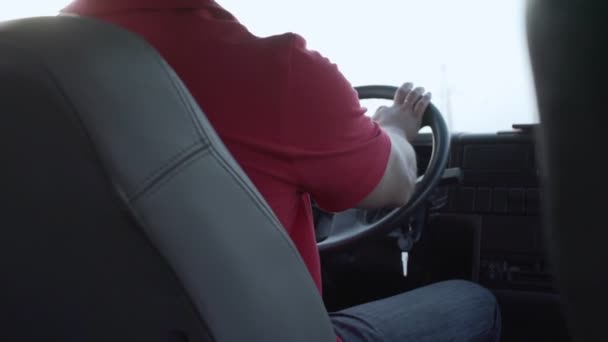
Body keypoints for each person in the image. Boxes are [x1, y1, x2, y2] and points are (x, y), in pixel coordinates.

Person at [61, 0, 501, 340]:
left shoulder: (28, 63)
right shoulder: (278, 71)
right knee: (474, 301)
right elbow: (399, 183)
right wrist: (395, 128)